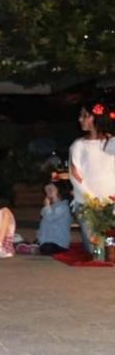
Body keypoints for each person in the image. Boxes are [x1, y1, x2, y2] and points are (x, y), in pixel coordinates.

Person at [69, 100, 115, 253]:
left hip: (112, 202)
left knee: (110, 248)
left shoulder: (112, 143)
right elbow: (75, 174)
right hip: (87, 204)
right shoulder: (79, 145)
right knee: (96, 250)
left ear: (96, 118)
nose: (80, 119)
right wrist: (91, 199)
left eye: (84, 115)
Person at [34, 181, 72, 255]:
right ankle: (37, 245)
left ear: (60, 191)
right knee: (39, 245)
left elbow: (50, 218)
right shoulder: (51, 207)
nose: (48, 192)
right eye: (47, 191)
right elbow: (44, 224)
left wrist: (47, 206)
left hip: (58, 242)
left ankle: (38, 247)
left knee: (46, 248)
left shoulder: (63, 207)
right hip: (47, 240)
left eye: (51, 190)